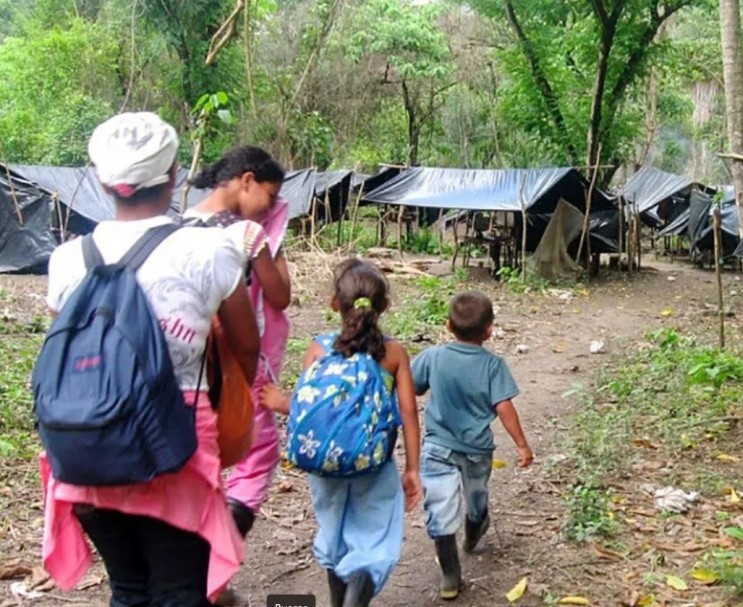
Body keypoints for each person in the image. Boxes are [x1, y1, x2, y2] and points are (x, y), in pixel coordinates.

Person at [40, 112, 260, 605]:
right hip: (173, 441)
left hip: (83, 444)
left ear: (104, 182)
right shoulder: (211, 249)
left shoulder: (67, 258)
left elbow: (66, 345)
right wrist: (232, 403)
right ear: (175, 173)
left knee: (128, 587)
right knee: (180, 588)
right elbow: (247, 347)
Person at [261, 259, 422, 607]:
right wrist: (412, 468)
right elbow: (409, 413)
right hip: (373, 464)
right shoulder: (393, 353)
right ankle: (360, 584)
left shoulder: (319, 348)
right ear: (384, 306)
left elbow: (307, 407)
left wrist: (277, 401)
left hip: (324, 465)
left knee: (333, 534)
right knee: (374, 536)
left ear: (335, 303)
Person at [184, 146, 291, 547]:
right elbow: (279, 296)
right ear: (247, 180)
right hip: (234, 364)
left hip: (187, 367)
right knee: (258, 454)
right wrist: (273, 241)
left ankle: (196, 551)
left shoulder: (179, 224)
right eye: (270, 195)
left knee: (202, 458)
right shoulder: (247, 233)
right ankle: (218, 555)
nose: (271, 207)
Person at [411, 291, 534, 600]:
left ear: (448, 325)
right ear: (489, 331)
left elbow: (412, 386)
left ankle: (450, 572)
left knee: (439, 508)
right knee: (476, 497)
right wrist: (521, 445)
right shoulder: (493, 366)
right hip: (477, 451)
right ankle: (474, 529)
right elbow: (504, 407)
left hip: (437, 447)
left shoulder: (433, 356)